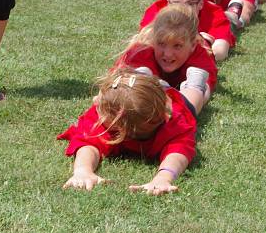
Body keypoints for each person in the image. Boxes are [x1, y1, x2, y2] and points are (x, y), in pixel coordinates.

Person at [59, 68, 197, 195]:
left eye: (99, 103)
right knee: (139, 87)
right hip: (149, 92)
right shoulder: (103, 119)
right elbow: (88, 142)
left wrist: (163, 179)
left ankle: (194, 84)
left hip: (173, 101)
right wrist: (83, 170)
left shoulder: (176, 125)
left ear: (120, 127)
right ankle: (144, 73)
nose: (94, 101)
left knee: (194, 101)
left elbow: (178, 153)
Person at [117, 4, 216, 115]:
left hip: (194, 66)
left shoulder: (200, 56)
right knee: (135, 88)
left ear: (193, 45)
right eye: (161, 44)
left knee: (201, 88)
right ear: (154, 39)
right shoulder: (141, 52)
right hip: (143, 74)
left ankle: (206, 39)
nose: (168, 54)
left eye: (177, 46)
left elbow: (204, 93)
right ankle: (148, 82)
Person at [139, 0, 235, 62]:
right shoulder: (157, 9)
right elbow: (144, 43)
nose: (183, 9)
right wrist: (199, 43)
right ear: (168, 3)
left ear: (201, 4)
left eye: (190, 4)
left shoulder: (214, 14)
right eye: (177, 3)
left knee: (233, 20)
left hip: (227, 20)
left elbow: (220, 52)